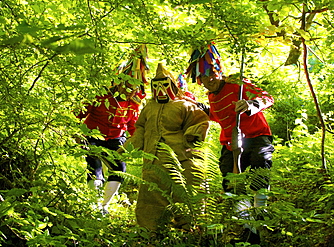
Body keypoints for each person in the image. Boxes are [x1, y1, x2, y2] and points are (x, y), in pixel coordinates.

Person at [186, 44, 275, 244]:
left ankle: (261, 212)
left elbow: (267, 97)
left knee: (261, 166)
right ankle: (249, 228)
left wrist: (252, 104)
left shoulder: (237, 83)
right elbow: (217, 117)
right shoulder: (211, 96)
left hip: (257, 136)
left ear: (218, 71)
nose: (208, 80)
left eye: (211, 74)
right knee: (230, 183)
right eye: (203, 77)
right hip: (230, 143)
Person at [123, 63, 210, 231]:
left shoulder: (185, 105)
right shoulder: (149, 108)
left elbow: (200, 122)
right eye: (156, 85)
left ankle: (188, 230)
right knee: (150, 196)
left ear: (172, 85)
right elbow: (140, 128)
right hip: (153, 161)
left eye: (164, 84)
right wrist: (128, 147)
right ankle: (150, 231)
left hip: (181, 160)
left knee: (185, 195)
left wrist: (193, 135)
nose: (161, 89)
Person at [76, 45, 148, 214]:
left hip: (116, 138)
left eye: (134, 87)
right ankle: (93, 204)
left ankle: (104, 206)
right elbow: (80, 112)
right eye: (127, 85)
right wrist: (76, 132)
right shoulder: (101, 95)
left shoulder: (133, 104)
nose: (130, 90)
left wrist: (137, 144)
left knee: (120, 169)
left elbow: (132, 126)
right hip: (92, 135)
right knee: (95, 165)